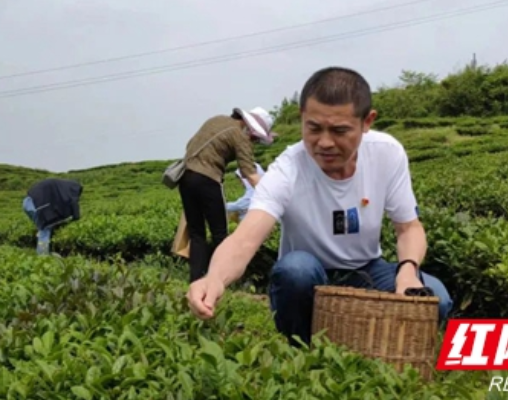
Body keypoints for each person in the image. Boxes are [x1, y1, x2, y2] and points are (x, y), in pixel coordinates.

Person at [186, 66, 453, 347]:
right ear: (302, 117)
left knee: (437, 298)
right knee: (295, 271)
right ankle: (301, 346)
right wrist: (214, 279)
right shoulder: (288, 169)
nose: (324, 143)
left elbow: (409, 228)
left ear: (367, 122)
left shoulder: (387, 153)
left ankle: (369, 344)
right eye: (313, 128)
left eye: (340, 130)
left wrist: (408, 271)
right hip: (310, 275)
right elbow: (245, 238)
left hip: (366, 269)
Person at [178, 106, 277, 283]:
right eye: (254, 138)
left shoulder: (216, 120)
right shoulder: (240, 135)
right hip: (208, 180)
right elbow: (250, 173)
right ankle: (221, 281)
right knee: (220, 234)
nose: (253, 141)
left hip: (185, 177)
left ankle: (195, 281)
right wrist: (274, 196)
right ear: (249, 127)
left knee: (197, 233)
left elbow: (190, 144)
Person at [22, 178, 83, 255]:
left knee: (44, 226)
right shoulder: (73, 189)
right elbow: (74, 205)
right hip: (35, 205)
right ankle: (42, 257)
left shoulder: (59, 186)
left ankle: (43, 249)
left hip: (27, 202)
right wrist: (76, 217)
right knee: (45, 229)